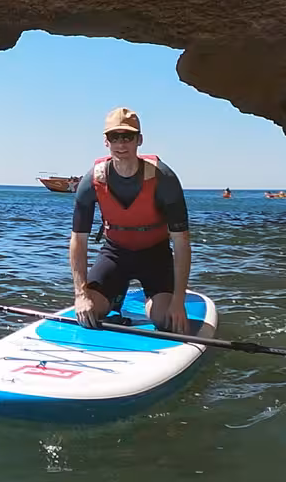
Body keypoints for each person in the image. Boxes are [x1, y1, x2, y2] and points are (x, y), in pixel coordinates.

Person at [68, 107, 193, 333]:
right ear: (106, 141)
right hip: (115, 253)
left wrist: (178, 302)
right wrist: (80, 295)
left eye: (127, 136)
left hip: (155, 255)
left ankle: (157, 298)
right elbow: (78, 240)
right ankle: (114, 295)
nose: (121, 143)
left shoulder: (164, 178)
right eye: (114, 137)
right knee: (90, 312)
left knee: (165, 320)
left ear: (139, 140)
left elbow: (182, 241)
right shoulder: (92, 181)